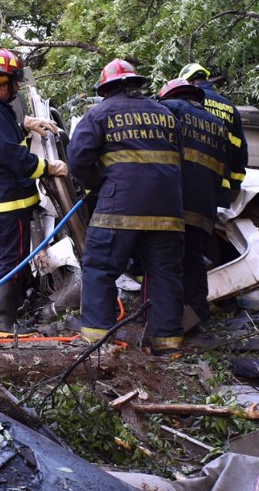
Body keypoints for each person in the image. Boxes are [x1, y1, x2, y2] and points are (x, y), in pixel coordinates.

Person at [68, 59, 184, 356]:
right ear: (136, 84)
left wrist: (97, 181)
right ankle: (168, 345)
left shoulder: (100, 113)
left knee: (99, 267)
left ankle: (97, 342)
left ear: (106, 88)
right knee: (164, 275)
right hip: (167, 211)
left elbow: (78, 158)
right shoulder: (166, 114)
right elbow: (177, 159)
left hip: (119, 208)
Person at [0, 48, 67, 336]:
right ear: (4, 82)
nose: (17, 88)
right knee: (12, 262)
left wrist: (26, 124)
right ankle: (6, 326)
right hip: (6, 204)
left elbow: (1, 141)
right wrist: (50, 167)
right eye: (15, 82)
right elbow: (14, 158)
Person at [158, 77, 234, 326]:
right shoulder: (218, 124)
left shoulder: (170, 109)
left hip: (174, 200)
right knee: (194, 261)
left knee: (165, 260)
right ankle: (198, 316)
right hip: (204, 206)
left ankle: (168, 320)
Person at [179, 62, 248, 206]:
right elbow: (240, 149)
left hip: (192, 182)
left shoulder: (187, 103)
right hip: (221, 185)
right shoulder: (229, 107)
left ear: (188, 81)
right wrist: (235, 184)